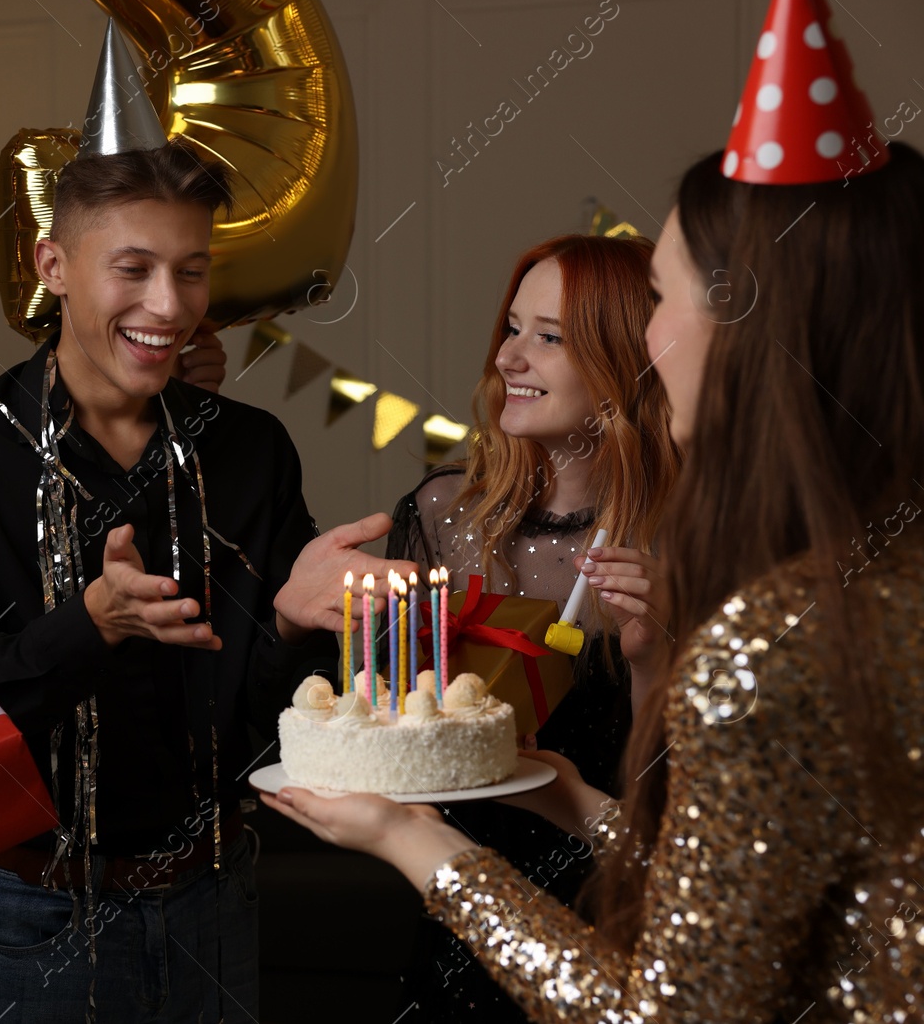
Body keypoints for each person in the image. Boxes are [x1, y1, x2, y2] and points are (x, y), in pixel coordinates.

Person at [261, 135, 924, 1021]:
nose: (510, 357)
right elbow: (755, 904)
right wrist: (300, 617)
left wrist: (415, 842)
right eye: (512, 328)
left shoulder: (767, 606)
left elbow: (678, 997)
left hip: (587, 923)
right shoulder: (874, 573)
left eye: (662, 295)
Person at [0, 139, 392, 1022]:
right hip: (32, 915)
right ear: (55, 266)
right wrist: (88, 625)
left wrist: (294, 627)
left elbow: (270, 730)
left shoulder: (250, 450)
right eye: (134, 268)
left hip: (219, 900)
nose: (169, 305)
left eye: (191, 271)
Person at [381, 234, 679, 1015]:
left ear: (622, 364)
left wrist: (651, 658)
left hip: (614, 923)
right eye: (513, 327)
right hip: (456, 903)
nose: (510, 356)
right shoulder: (447, 513)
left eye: (548, 337)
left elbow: (685, 812)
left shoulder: (684, 539)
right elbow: (390, 727)